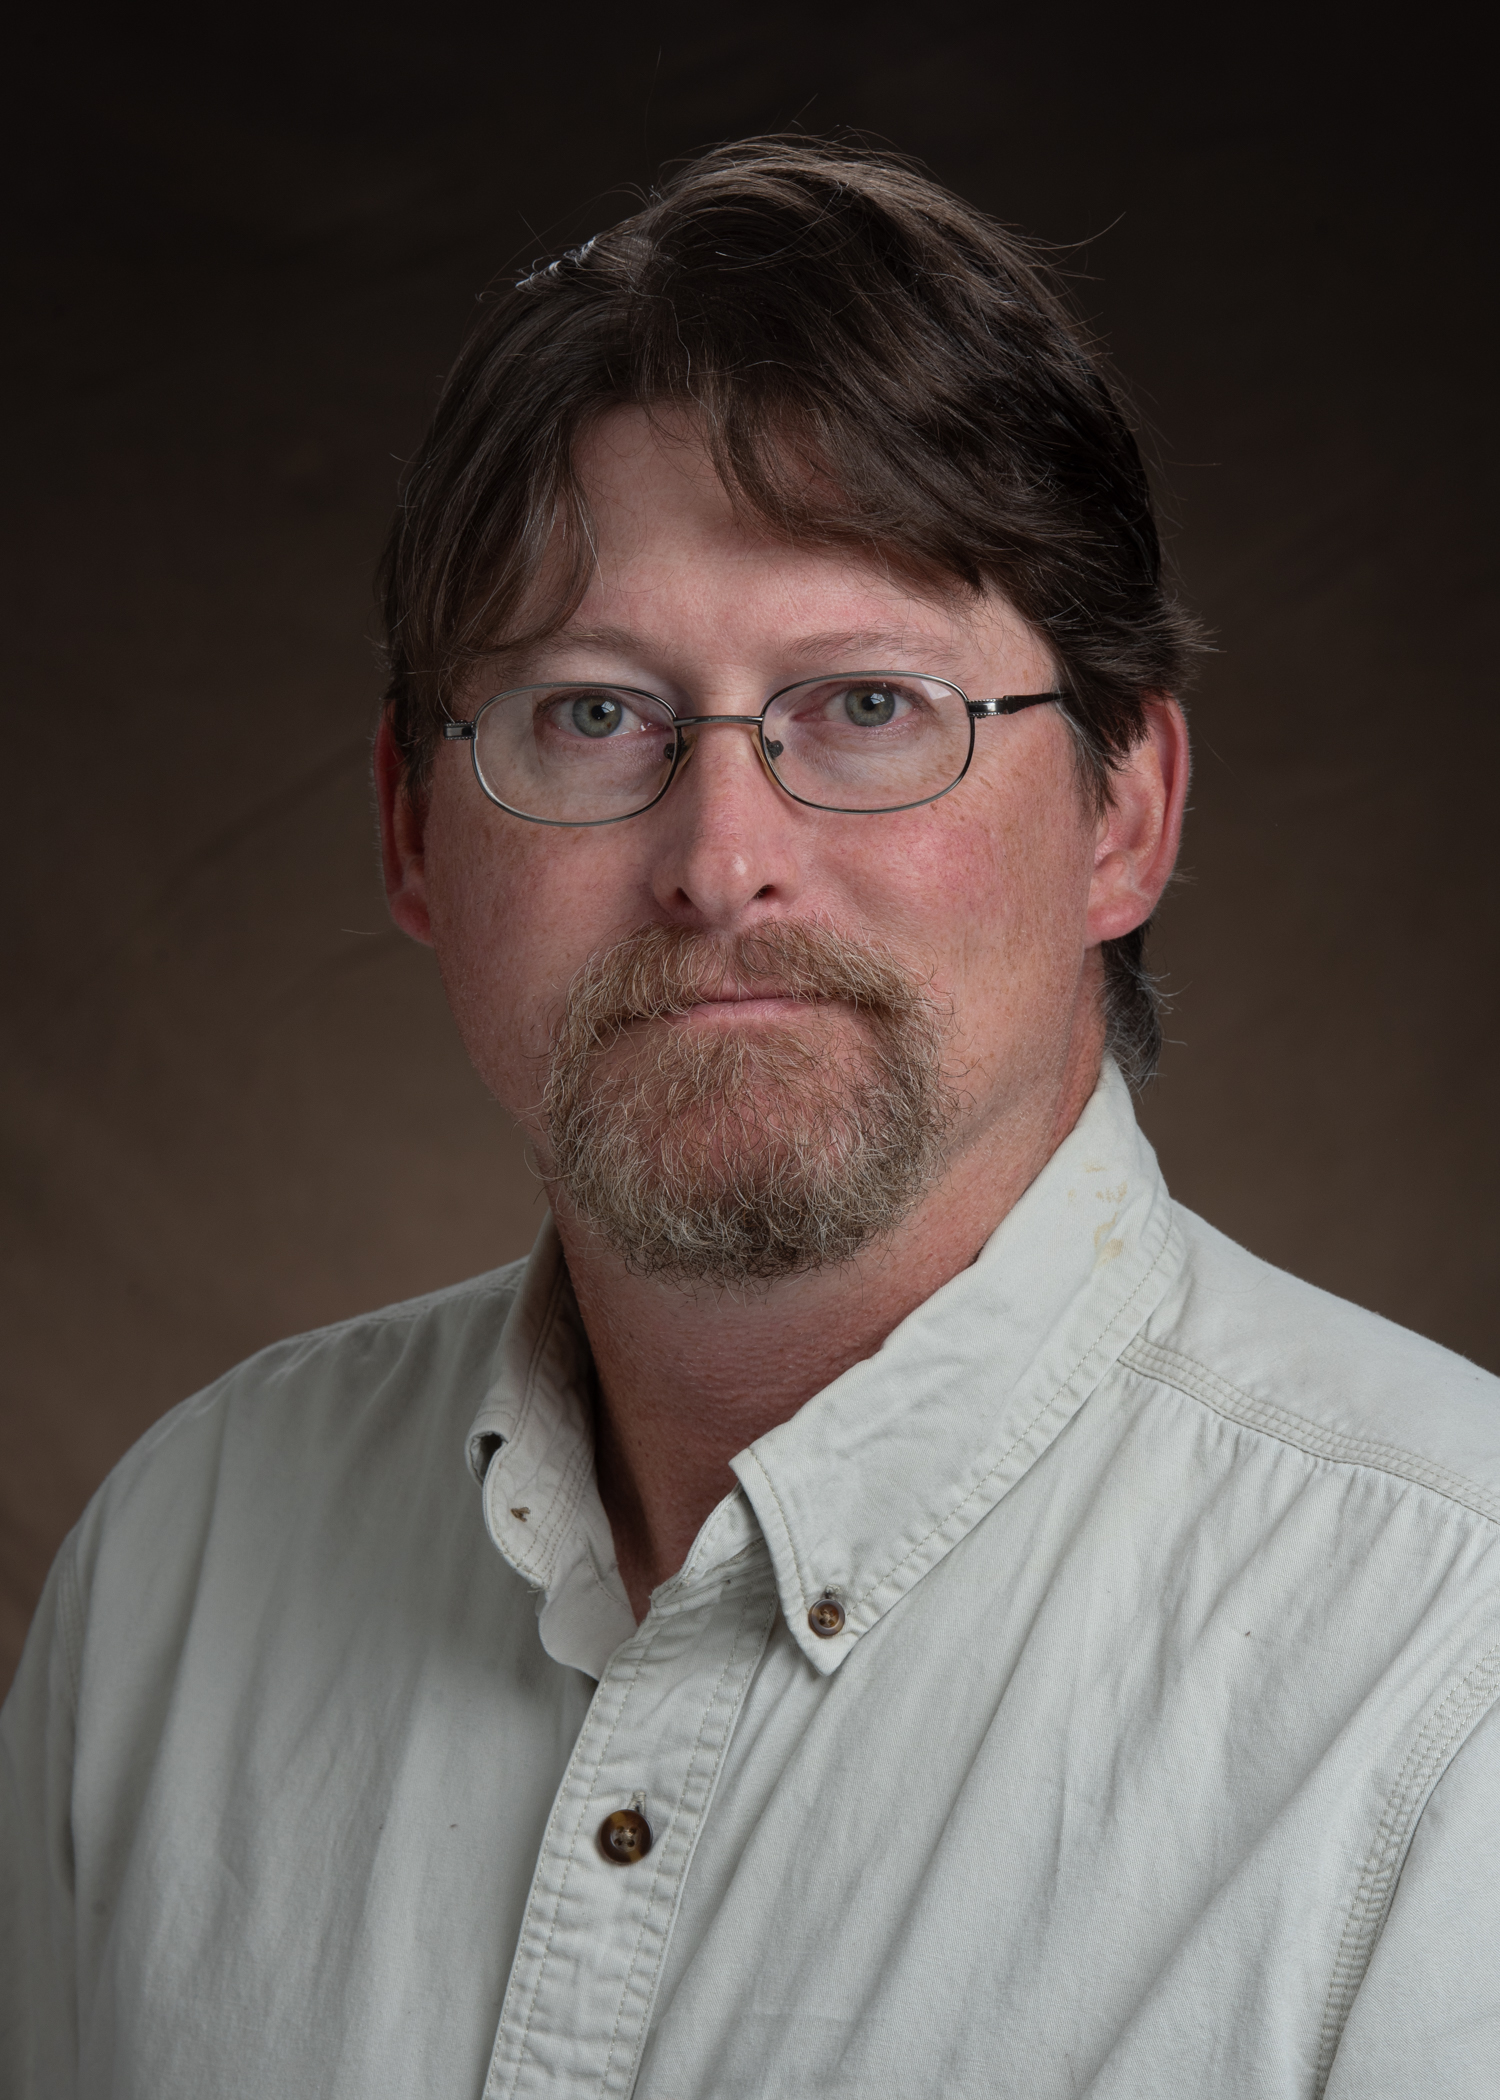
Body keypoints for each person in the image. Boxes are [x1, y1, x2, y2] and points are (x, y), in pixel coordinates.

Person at [3, 136, 1497, 2100]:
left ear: (1125, 809)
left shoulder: (1451, 1668)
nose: (722, 862)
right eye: (594, 713)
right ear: (409, 834)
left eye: (868, 706)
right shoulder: (179, 1570)